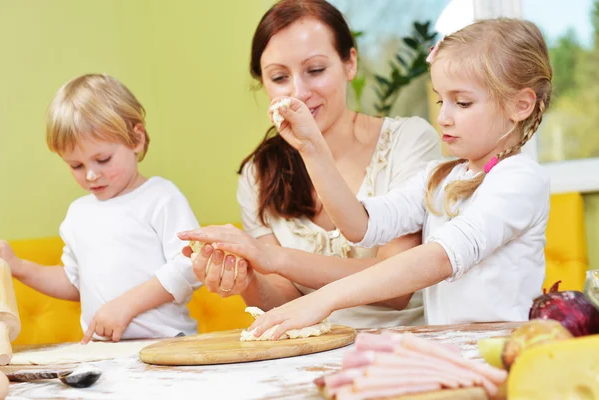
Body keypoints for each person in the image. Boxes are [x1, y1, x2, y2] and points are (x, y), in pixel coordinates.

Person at [187, 17, 553, 339]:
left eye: (463, 102)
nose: (444, 117)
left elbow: (440, 258)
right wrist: (312, 148)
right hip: (450, 345)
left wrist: (321, 299)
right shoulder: (439, 176)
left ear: (520, 105)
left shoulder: (519, 179)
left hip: (503, 346)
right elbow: (360, 225)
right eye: (442, 101)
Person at [178, 0, 441, 329]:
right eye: (279, 77)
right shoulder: (258, 175)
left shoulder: (410, 140)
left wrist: (274, 259)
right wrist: (247, 280)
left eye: (315, 70)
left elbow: (397, 288)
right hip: (308, 355)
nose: (299, 92)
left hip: (403, 348)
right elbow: (284, 302)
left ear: (349, 64)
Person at [0, 74, 201, 342]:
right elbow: (75, 282)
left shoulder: (160, 197)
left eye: (102, 159)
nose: (91, 175)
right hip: (104, 352)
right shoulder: (78, 214)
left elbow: (190, 264)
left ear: (136, 139)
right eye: (76, 166)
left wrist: (126, 305)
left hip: (169, 344)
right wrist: (19, 266)